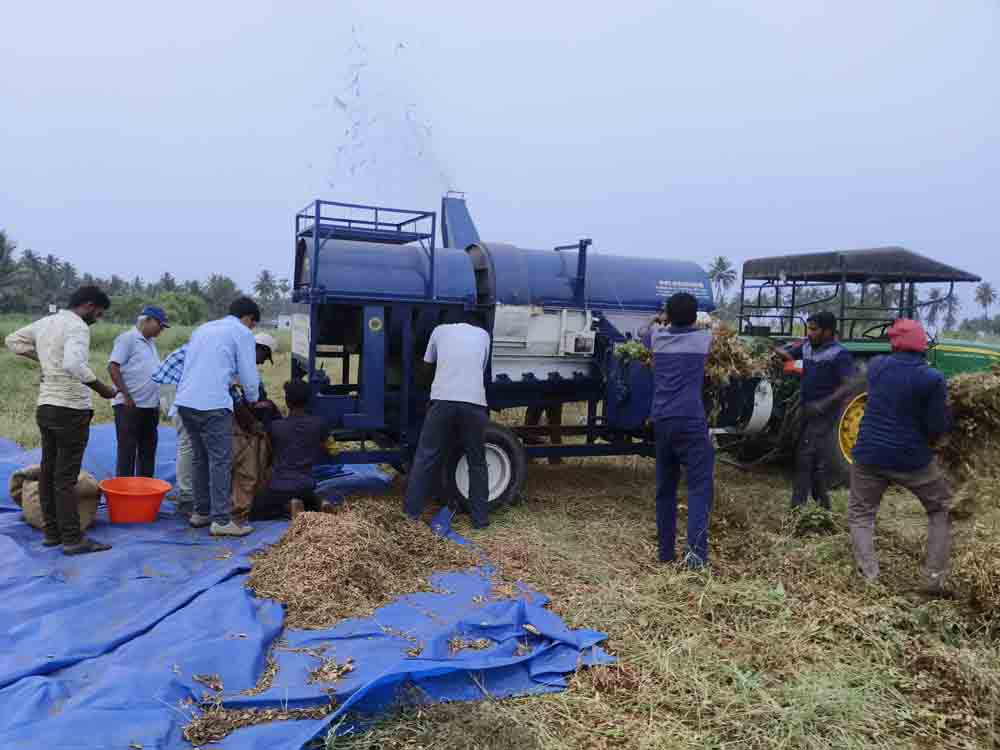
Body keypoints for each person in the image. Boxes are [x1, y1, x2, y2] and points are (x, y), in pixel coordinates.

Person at [5, 286, 118, 554]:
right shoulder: (78, 327)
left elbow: (13, 340)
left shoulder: (46, 322)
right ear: (90, 306)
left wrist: (46, 360)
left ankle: (52, 533)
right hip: (70, 409)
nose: (98, 318)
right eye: (99, 313)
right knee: (65, 477)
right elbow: (74, 365)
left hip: (46, 407)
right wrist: (104, 390)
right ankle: (72, 539)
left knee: (48, 470)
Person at [849, 318, 952, 594]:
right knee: (940, 508)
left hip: (868, 454)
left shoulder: (876, 367)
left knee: (861, 514)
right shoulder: (933, 378)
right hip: (911, 459)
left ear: (894, 344)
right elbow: (937, 427)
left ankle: (869, 577)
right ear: (922, 346)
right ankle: (933, 579)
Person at [174, 297, 261, 537]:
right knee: (220, 461)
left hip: (185, 401)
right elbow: (248, 370)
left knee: (199, 458)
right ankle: (221, 521)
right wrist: (252, 397)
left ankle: (200, 512)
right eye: (253, 324)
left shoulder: (203, 328)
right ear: (248, 319)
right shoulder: (241, 332)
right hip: (212, 404)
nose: (251, 328)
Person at [641, 292, 715, 568]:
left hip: (662, 420)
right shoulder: (703, 340)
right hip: (690, 420)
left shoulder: (657, 338)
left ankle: (665, 554)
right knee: (699, 487)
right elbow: (717, 333)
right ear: (695, 317)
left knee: (666, 488)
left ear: (668, 315)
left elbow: (642, 332)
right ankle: (695, 557)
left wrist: (657, 319)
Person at [403, 310, 492, 529]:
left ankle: (411, 514)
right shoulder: (483, 335)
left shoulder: (439, 331)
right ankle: (480, 520)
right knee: (477, 462)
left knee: (425, 457)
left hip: (442, 401)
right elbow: (481, 368)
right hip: (474, 403)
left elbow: (426, 368)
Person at [775, 311, 855, 509]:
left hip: (825, 412)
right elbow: (787, 356)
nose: (809, 333)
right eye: (808, 329)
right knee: (816, 461)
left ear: (828, 331)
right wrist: (773, 349)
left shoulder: (839, 354)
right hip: (807, 408)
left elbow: (848, 386)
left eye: (813, 329)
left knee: (805, 457)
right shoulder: (807, 346)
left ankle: (797, 509)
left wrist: (824, 403)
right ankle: (824, 506)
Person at [249, 380, 335, 520]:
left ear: (287, 402)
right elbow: (332, 450)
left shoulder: (275, 427)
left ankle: (288, 507)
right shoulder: (319, 424)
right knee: (307, 496)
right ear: (308, 401)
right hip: (306, 485)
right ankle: (320, 504)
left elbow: (267, 453)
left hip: (280, 487)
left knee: (255, 512)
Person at [108, 306, 169, 478]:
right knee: (127, 451)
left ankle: (144, 491)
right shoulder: (127, 339)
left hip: (150, 407)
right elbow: (113, 367)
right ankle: (124, 492)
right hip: (129, 406)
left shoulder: (150, 344)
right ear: (147, 320)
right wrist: (126, 396)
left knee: (148, 451)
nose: (162, 330)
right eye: (160, 325)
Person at [151, 343, 193, 516]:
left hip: (175, 384)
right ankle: (187, 497)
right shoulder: (233, 345)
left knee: (191, 442)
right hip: (174, 386)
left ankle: (190, 491)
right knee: (188, 441)